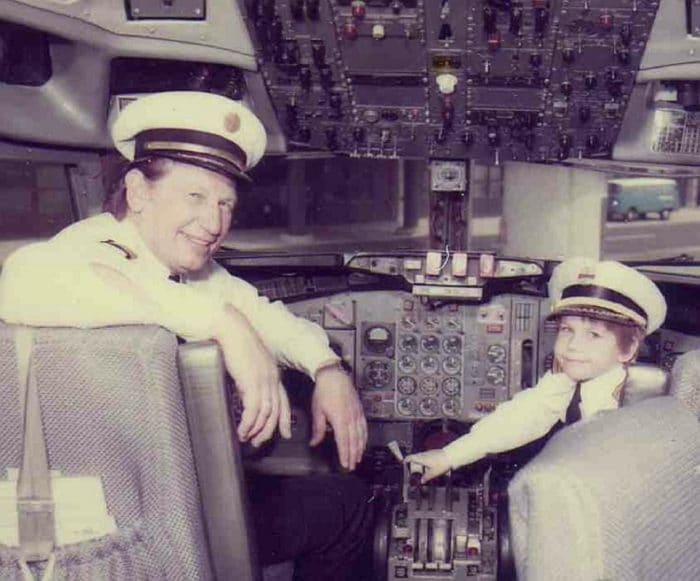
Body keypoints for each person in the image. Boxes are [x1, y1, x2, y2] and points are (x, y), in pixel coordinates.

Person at [0, 91, 371, 580]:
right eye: (194, 197)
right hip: (132, 531)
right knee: (347, 504)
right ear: (137, 192)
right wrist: (221, 325)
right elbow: (24, 276)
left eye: (225, 204)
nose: (214, 223)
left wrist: (327, 368)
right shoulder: (87, 251)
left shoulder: (190, 273)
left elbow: (269, 317)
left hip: (165, 504)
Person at [405, 258, 667, 483]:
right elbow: (528, 414)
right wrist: (449, 456)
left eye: (594, 335)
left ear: (629, 348)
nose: (573, 345)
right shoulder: (570, 380)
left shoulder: (629, 406)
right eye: (567, 330)